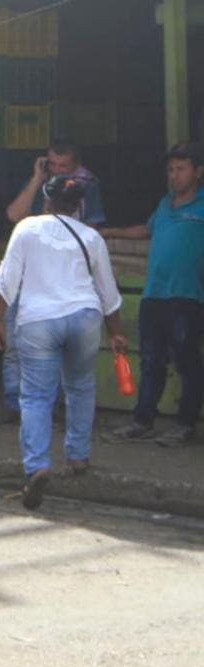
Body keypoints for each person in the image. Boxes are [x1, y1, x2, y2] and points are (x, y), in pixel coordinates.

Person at [0, 175, 126, 510]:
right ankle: (78, 457)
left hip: (38, 321)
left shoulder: (27, 229)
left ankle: (37, 465)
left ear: (46, 201)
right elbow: (108, 294)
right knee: (80, 386)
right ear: (80, 204)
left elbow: (6, 280)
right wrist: (116, 333)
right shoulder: (91, 237)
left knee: (36, 396)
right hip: (85, 317)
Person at [101, 143, 204, 447]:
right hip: (154, 295)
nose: (175, 176)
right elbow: (145, 231)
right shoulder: (164, 205)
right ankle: (142, 421)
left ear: (198, 171)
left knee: (187, 362)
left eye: (181, 169)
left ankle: (185, 425)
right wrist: (108, 232)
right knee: (151, 361)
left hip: (187, 296)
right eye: (171, 170)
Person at [0, 140, 106, 424]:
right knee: (13, 345)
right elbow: (13, 214)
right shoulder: (40, 188)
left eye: (64, 167)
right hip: (27, 278)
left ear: (76, 166)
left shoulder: (86, 187)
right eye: (52, 165)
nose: (57, 172)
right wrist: (37, 179)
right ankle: (14, 406)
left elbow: (93, 229)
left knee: (58, 352)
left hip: (63, 281)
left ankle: (51, 407)